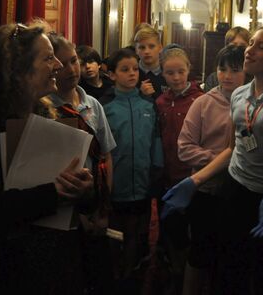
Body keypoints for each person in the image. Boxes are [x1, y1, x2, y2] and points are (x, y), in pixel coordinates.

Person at [162, 27, 263, 294]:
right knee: (228, 270)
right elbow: (232, 149)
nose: (250, 50)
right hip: (235, 192)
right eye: (251, 43)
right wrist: (195, 180)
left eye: (260, 47)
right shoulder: (240, 95)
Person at [0, 23, 94, 293]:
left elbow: (77, 197)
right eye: (48, 57)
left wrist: (85, 190)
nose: (58, 65)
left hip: (53, 269)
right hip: (1, 272)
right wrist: (54, 194)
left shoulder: (49, 113)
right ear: (16, 69)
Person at [46, 33, 116, 294]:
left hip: (94, 200)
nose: (72, 69)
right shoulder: (46, 108)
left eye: (74, 60)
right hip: (64, 209)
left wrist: (102, 207)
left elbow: (106, 155)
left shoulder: (93, 105)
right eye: (62, 64)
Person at [177, 45, 246, 295]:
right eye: (222, 69)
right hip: (206, 190)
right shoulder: (203, 103)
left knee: (231, 257)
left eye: (235, 70)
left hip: (239, 193)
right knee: (199, 254)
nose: (226, 75)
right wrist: (220, 159)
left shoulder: (252, 104)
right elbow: (184, 148)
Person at [101, 48, 163, 283]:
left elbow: (155, 141)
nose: (132, 74)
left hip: (144, 182)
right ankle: (116, 276)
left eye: (135, 69)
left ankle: (135, 273)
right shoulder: (105, 106)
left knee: (139, 235)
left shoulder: (148, 105)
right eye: (124, 70)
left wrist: (156, 171)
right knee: (116, 235)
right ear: (112, 75)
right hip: (117, 184)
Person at [156, 46, 204, 293]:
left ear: (189, 71)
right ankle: (176, 272)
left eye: (180, 72)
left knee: (195, 230)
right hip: (169, 175)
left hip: (194, 177)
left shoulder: (201, 100)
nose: (176, 77)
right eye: (170, 73)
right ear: (162, 74)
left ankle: (192, 278)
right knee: (173, 229)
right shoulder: (160, 102)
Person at [203, 26, 250, 92]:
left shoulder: (254, 76)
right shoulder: (213, 78)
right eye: (233, 45)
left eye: (242, 46)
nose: (237, 49)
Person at [134, 23, 166, 99]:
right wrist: (140, 94)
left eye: (151, 46)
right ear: (136, 50)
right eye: (142, 47)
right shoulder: (132, 73)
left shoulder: (168, 72)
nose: (147, 51)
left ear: (160, 48)